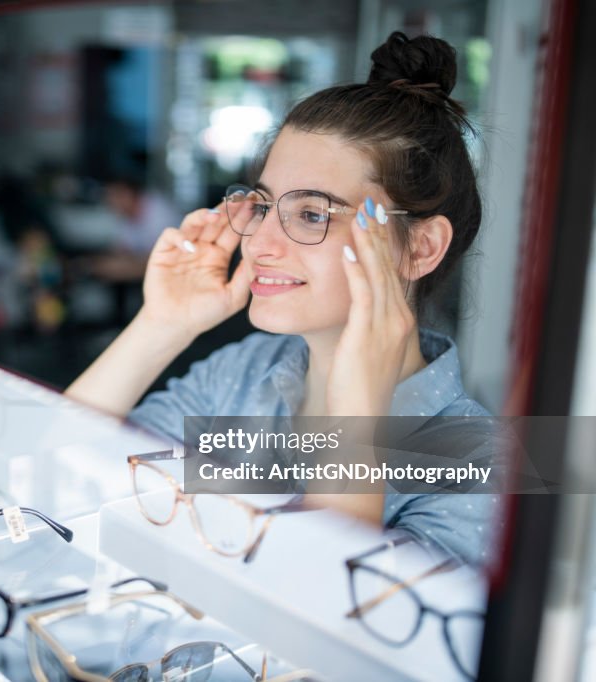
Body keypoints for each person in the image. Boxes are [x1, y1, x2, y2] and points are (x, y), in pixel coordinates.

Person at [66, 32, 503, 566]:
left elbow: (333, 628)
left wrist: (358, 416)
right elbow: (61, 478)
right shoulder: (243, 373)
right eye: (265, 206)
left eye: (313, 214)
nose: (260, 243)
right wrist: (160, 326)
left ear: (420, 246)